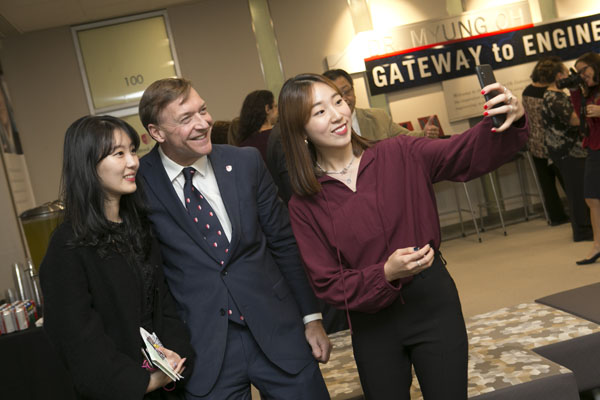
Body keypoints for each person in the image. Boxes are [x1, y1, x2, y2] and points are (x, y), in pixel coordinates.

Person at [278, 73, 528, 399]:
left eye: (338, 101)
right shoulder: (304, 204)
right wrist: (385, 273)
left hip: (431, 301)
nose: (338, 115)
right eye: (320, 111)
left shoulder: (400, 152)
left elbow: (463, 151)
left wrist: (508, 117)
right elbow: (328, 283)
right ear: (301, 130)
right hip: (371, 323)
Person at [137, 78, 331, 399]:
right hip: (203, 348)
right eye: (186, 119)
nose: (203, 123)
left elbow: (284, 243)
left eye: (203, 110)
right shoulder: (140, 183)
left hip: (277, 330)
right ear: (157, 132)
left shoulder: (245, 162)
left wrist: (311, 319)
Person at [40, 115, 193, 400]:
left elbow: (164, 306)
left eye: (133, 150)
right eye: (119, 154)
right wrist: (144, 382)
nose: (133, 162)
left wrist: (174, 353)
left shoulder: (140, 229)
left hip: (166, 386)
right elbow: (76, 338)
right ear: (88, 164)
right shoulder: (68, 245)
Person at [541, 58, 592, 242]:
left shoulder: (558, 95)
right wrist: (591, 112)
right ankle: (582, 231)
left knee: (581, 189)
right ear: (559, 76)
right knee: (577, 192)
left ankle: (588, 227)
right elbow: (573, 120)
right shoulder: (552, 97)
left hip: (573, 149)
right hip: (566, 151)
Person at [322, 68, 439, 140]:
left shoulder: (378, 117)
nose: (344, 99)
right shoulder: (323, 130)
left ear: (353, 90)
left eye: (346, 91)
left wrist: (425, 134)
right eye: (337, 96)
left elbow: (406, 137)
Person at [521, 57, 570, 226]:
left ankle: (556, 217)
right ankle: (580, 213)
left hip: (535, 142)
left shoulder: (527, 91)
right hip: (554, 142)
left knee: (547, 184)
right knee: (568, 181)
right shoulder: (551, 93)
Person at [571, 52, 600, 265]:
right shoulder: (588, 92)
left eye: (584, 70)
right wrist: (575, 91)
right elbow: (579, 115)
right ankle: (598, 245)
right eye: (578, 73)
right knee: (591, 198)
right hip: (593, 147)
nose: (582, 75)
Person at [230, 90, 278, 162]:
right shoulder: (279, 138)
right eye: (275, 106)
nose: (278, 110)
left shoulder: (243, 146)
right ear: (267, 109)